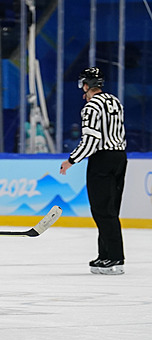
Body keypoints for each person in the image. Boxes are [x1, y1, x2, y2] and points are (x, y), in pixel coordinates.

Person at [60, 67, 127, 275]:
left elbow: (91, 140)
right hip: (119, 157)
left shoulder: (91, 107)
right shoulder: (115, 101)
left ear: (86, 85)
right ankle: (105, 254)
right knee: (110, 209)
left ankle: (115, 257)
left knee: (101, 210)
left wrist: (72, 160)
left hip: (102, 160)